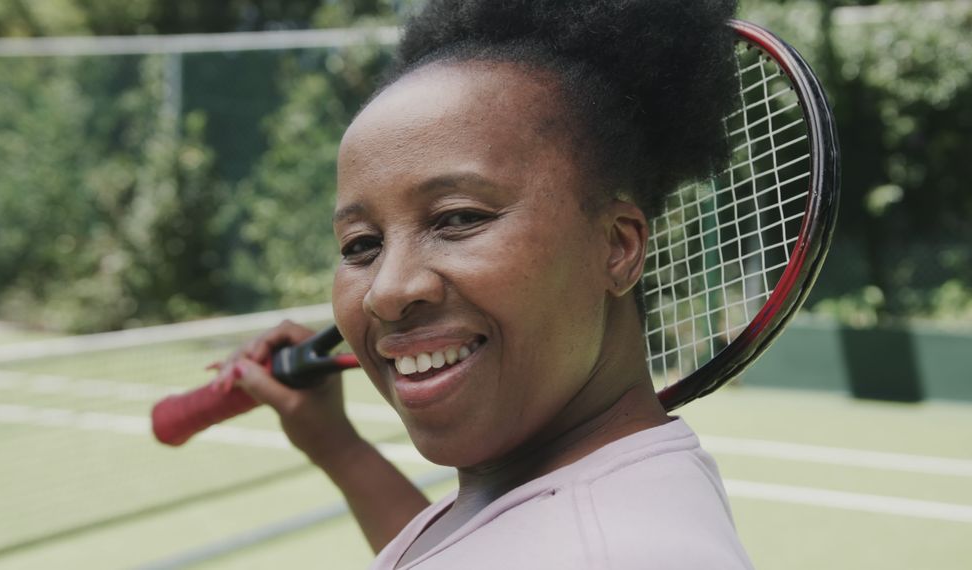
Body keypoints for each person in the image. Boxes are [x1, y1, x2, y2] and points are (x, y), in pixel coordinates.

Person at [225, 0, 754, 567]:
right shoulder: (582, 499)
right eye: (361, 245)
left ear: (617, 246)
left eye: (458, 218)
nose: (388, 289)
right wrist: (337, 445)